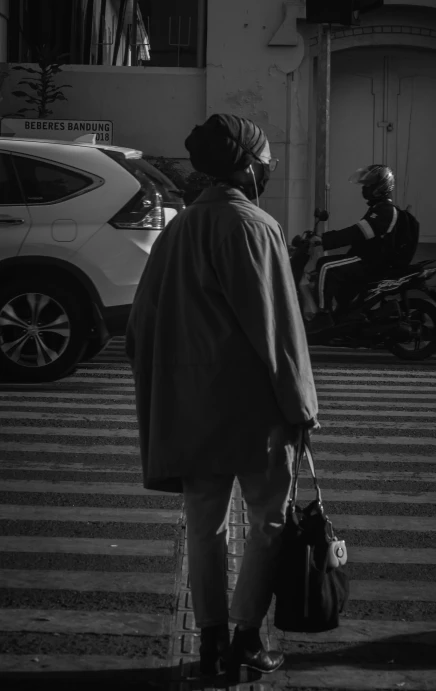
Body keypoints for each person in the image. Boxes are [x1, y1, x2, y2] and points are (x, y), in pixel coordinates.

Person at [125, 113, 319, 678]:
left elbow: (139, 333)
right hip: (256, 416)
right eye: (264, 162)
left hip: (194, 414)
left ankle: (208, 644)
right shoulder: (256, 227)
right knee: (268, 523)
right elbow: (279, 332)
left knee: (203, 525)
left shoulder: (177, 231)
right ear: (248, 167)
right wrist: (302, 407)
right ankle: (246, 640)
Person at [308, 164, 398, 332]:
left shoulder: (384, 211)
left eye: (368, 185)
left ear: (381, 187)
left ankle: (323, 316)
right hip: (367, 258)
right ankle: (342, 312)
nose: (364, 189)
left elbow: (356, 233)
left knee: (325, 266)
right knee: (329, 267)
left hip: (370, 261)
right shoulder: (378, 209)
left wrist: (323, 239)